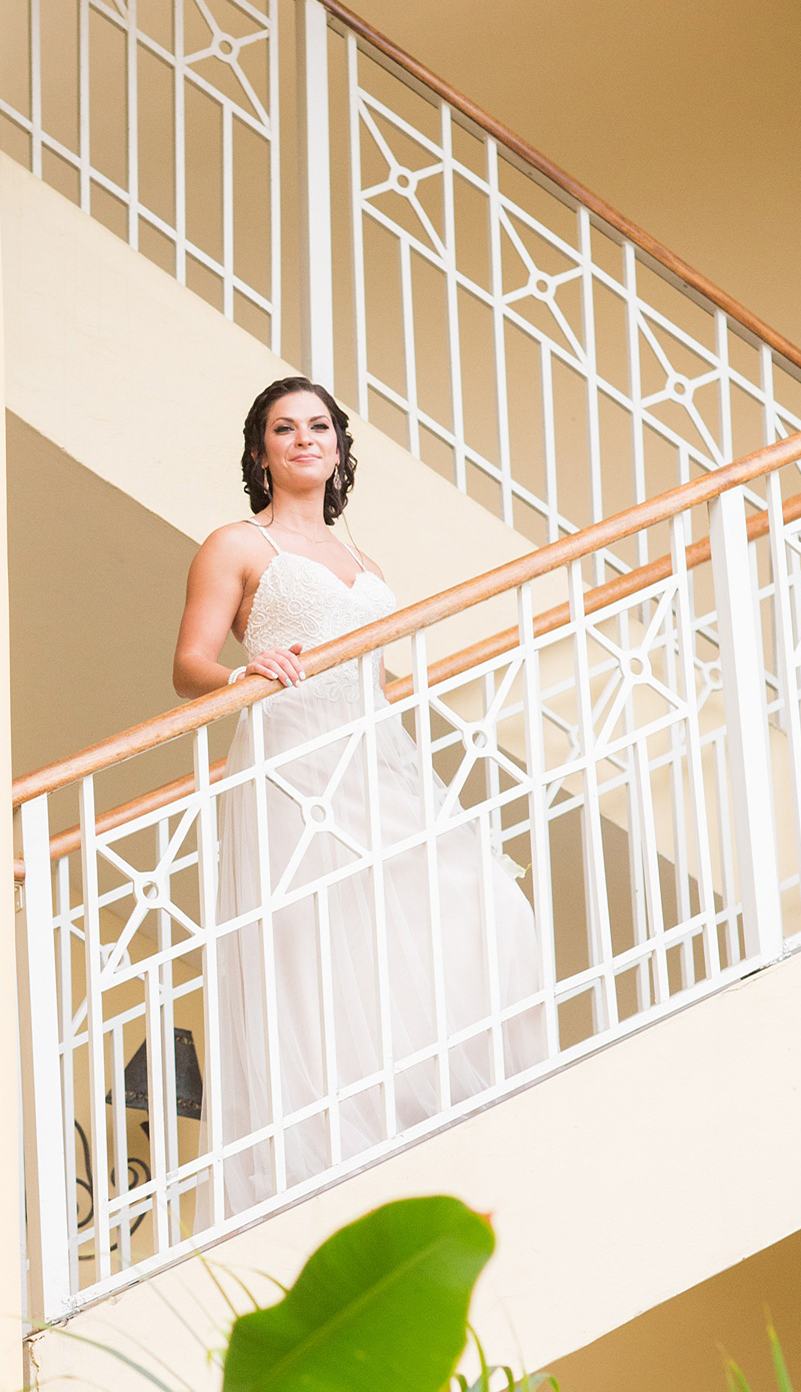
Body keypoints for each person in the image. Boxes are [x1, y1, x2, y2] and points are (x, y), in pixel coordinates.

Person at [172, 376, 545, 1211]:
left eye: (318, 426)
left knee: (478, 900)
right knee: (314, 938)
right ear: (261, 449)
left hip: (371, 756)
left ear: (338, 446)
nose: (303, 439)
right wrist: (244, 669)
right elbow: (188, 666)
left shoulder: (363, 560)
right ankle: (322, 1148)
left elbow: (377, 676)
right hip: (289, 759)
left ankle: (403, 1111)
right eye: (283, 428)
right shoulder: (235, 544)